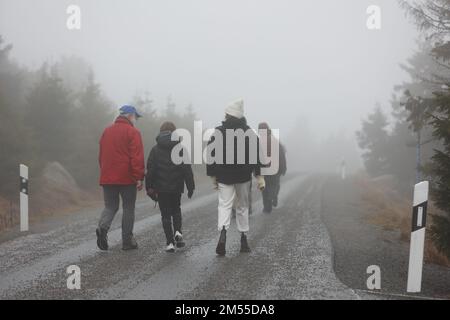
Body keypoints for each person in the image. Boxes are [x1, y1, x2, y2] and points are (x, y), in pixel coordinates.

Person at [206, 99, 265, 256]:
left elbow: (210, 155)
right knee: (242, 206)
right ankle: (243, 239)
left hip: (224, 175)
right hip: (243, 176)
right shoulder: (249, 133)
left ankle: (223, 232)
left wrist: (213, 175)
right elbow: (257, 156)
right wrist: (259, 176)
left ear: (227, 115)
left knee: (224, 205)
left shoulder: (218, 132)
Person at [96, 105, 145, 251]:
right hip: (127, 178)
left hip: (108, 176)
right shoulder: (133, 132)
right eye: (135, 117)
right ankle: (127, 241)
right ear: (129, 115)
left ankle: (102, 228)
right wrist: (139, 177)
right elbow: (136, 157)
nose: (136, 120)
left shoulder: (106, 131)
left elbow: (101, 156)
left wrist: (105, 172)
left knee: (110, 206)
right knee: (128, 208)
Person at [145, 121, 195, 253]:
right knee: (176, 210)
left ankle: (170, 243)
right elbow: (187, 169)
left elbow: (150, 170)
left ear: (161, 132)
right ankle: (178, 232)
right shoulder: (181, 149)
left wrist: (148, 187)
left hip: (161, 188)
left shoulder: (155, 150)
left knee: (165, 214)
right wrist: (191, 186)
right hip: (176, 186)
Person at [258, 122, 287, 214]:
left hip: (264, 169)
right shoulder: (275, 141)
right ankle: (273, 196)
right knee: (274, 185)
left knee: (264, 189)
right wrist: (283, 168)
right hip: (274, 169)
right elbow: (282, 155)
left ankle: (267, 207)